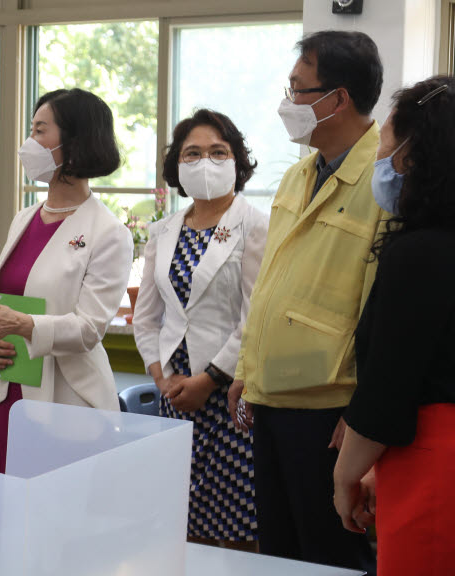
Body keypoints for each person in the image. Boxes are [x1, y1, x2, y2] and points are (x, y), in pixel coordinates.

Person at [226, 30, 383, 572]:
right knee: (280, 552)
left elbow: (381, 307)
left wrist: (362, 412)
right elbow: (272, 281)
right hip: (272, 397)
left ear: (336, 98)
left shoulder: (385, 178)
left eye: (297, 88)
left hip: (329, 408)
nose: (286, 102)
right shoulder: (298, 174)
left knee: (329, 554)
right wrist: (248, 368)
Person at [333, 76, 455, 576]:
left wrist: (347, 475)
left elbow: (389, 384)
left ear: (413, 154)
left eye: (385, 137)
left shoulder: (420, 253)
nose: (378, 154)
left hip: (433, 459)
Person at [0, 88, 133, 473]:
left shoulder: (108, 232)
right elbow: (9, 303)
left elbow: (89, 329)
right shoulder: (24, 219)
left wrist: (25, 325)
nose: (29, 143)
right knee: (2, 514)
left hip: (67, 403)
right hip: (11, 388)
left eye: (40, 130)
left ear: (74, 141)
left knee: (53, 521)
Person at [133, 109, 268, 545]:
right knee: (179, 523)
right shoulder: (163, 230)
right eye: (192, 153)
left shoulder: (254, 224)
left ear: (237, 161)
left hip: (229, 392)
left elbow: (256, 314)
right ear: (176, 166)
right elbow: (147, 317)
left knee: (234, 526)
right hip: (176, 395)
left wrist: (209, 380)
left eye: (217, 152)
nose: (204, 161)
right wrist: (162, 377)